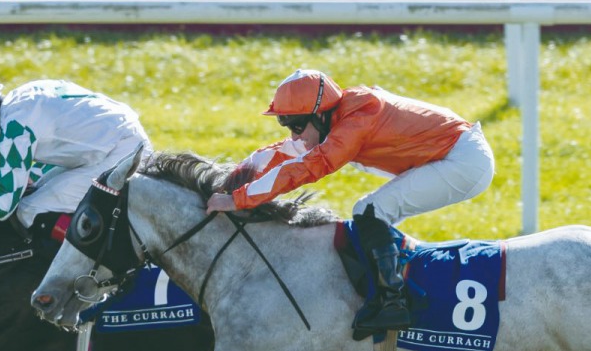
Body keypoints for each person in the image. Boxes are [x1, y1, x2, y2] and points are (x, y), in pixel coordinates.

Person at [206, 68, 495, 337]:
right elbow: (283, 153)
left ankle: (393, 303)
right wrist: (230, 181)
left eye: (296, 124)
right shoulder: (337, 116)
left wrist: (237, 200)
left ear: (319, 114)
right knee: (371, 213)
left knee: (370, 211)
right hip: (453, 154)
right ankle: (391, 288)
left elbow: (309, 167)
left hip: (464, 161)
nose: (293, 133)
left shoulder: (357, 118)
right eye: (286, 124)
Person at [0, 70, 151, 230]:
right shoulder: (20, 101)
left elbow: (1, 207)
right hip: (118, 143)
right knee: (38, 192)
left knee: (29, 210)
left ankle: (94, 274)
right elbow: (66, 148)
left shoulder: (15, 127)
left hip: (121, 154)